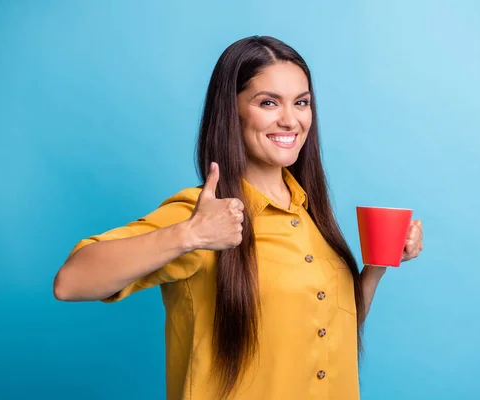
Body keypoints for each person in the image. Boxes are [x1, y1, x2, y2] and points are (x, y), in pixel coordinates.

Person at [53, 35, 424, 400]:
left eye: (301, 102)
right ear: (231, 111)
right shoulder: (202, 216)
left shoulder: (310, 215)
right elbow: (70, 282)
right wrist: (190, 235)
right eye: (268, 103)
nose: (290, 120)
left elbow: (330, 332)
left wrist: (377, 266)